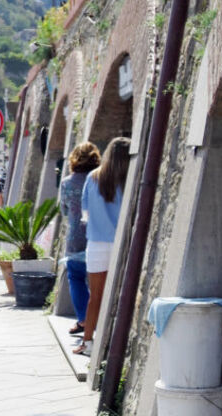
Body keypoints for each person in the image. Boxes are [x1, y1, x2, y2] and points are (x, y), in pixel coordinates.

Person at [74, 137, 131, 356]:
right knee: (122, 294)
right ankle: (119, 344)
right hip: (121, 244)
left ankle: (87, 343)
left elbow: (85, 213)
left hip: (97, 243)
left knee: (95, 296)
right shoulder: (128, 180)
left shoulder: (93, 177)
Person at [59, 142, 101, 336]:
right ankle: (98, 320)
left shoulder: (67, 182)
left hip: (76, 238)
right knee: (99, 280)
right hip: (99, 236)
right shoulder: (100, 180)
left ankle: (84, 320)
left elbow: (64, 210)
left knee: (76, 278)